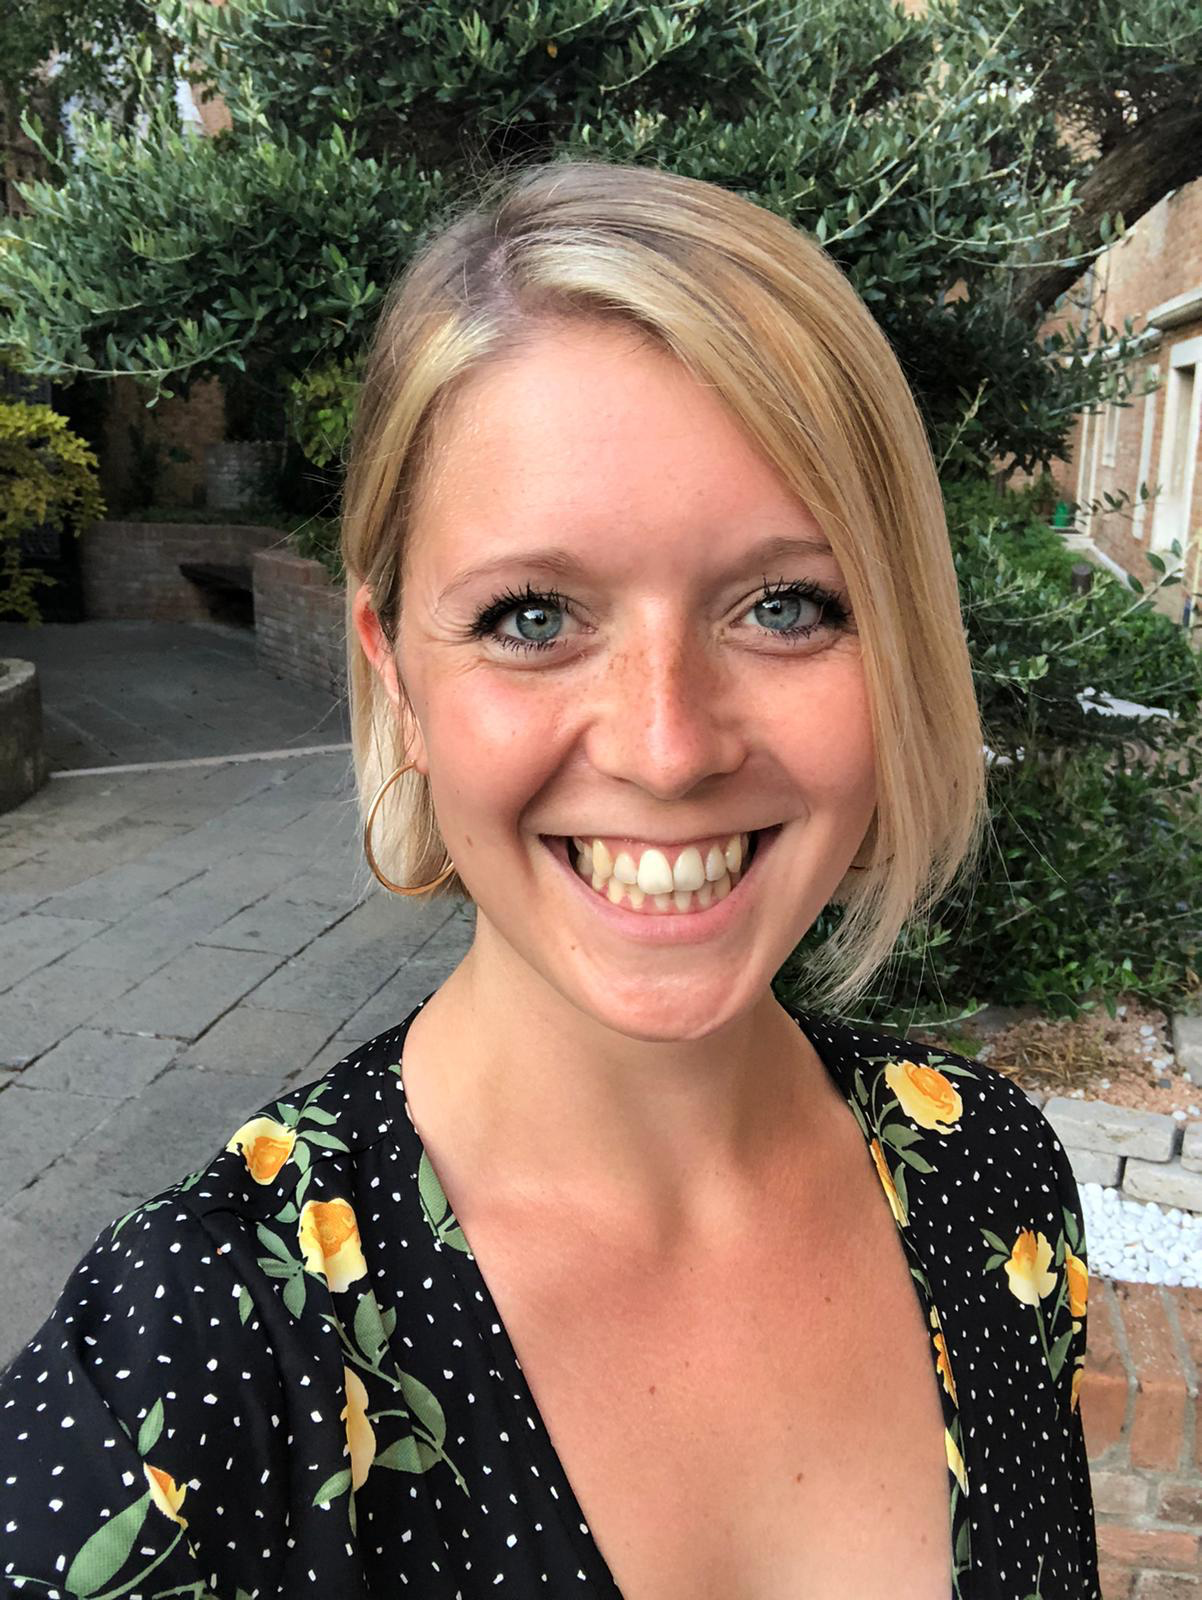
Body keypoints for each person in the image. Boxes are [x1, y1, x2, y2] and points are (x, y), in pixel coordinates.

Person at [0, 158, 1097, 1600]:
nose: (667, 747)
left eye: (786, 605)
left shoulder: (992, 1182)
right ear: (397, 672)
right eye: (531, 617)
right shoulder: (180, 1376)